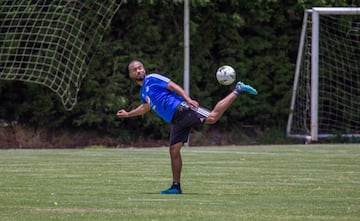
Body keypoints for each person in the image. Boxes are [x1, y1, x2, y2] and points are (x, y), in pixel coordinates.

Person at [116, 60, 257, 194]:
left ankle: (237, 89)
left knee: (212, 118)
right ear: (131, 75)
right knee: (174, 151)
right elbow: (145, 108)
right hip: (175, 120)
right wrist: (128, 114)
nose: (139, 70)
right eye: (135, 69)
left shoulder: (152, 78)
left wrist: (188, 99)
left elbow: (173, 86)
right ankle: (175, 187)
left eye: (140, 67)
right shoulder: (143, 92)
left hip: (181, 108)